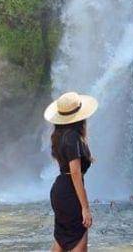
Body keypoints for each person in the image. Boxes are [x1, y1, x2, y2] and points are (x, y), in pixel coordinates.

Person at [45, 91, 99, 252]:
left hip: (59, 190)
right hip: (70, 191)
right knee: (79, 236)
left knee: (61, 239)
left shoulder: (58, 136)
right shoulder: (73, 137)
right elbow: (75, 173)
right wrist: (85, 208)